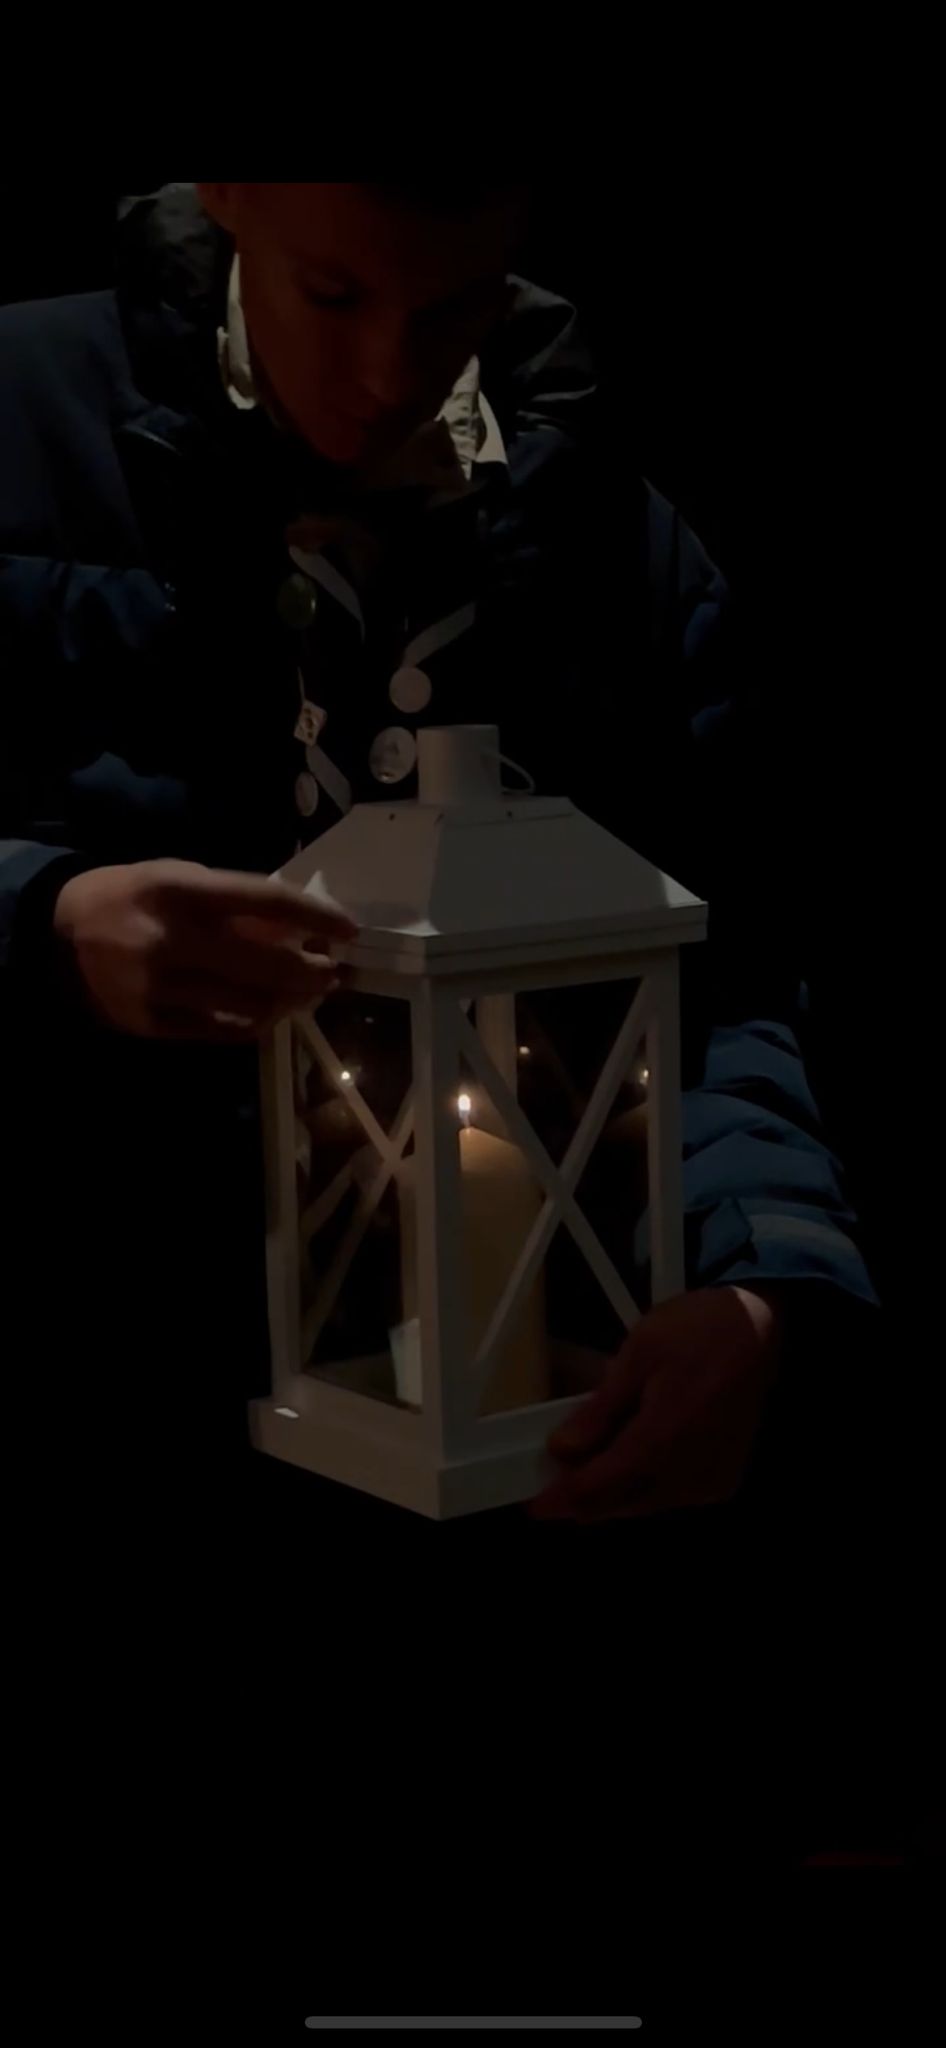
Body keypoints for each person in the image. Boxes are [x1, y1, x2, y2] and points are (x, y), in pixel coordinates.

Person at [0, 180, 876, 1543]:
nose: (388, 375)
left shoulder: (612, 535)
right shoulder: (21, 424)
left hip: (512, 1424)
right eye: (333, 294)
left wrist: (758, 1278)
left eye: (453, 306)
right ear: (229, 200)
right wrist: (41, 920)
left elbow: (725, 969)